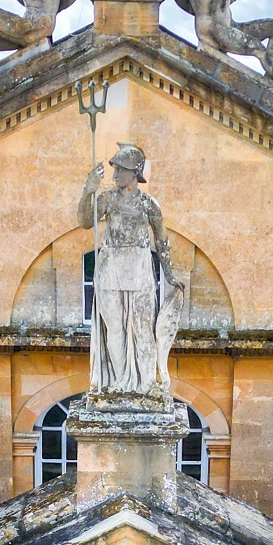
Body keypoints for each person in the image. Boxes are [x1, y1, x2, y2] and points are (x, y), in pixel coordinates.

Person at [77, 143, 185, 395]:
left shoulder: (149, 204)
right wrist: (87, 192)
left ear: (135, 172)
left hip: (138, 268)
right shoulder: (106, 199)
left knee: (142, 328)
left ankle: (146, 383)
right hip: (110, 268)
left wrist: (169, 274)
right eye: (114, 169)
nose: (115, 174)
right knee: (114, 328)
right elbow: (85, 221)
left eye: (121, 169)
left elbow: (161, 241)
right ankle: (118, 385)